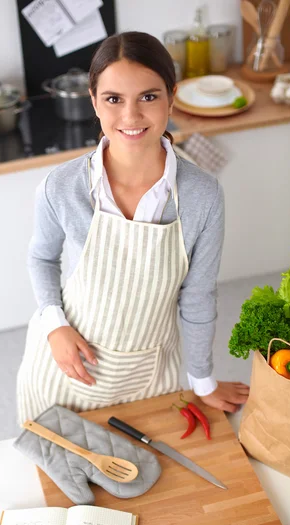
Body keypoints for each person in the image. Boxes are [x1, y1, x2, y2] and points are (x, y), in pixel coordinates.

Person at [17, 31, 249, 424]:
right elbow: (41, 258)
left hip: (149, 374)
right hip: (65, 369)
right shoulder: (61, 187)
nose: (130, 116)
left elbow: (197, 296)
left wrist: (203, 380)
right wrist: (54, 326)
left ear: (171, 97)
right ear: (93, 101)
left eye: (148, 96)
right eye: (113, 99)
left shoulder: (203, 197)